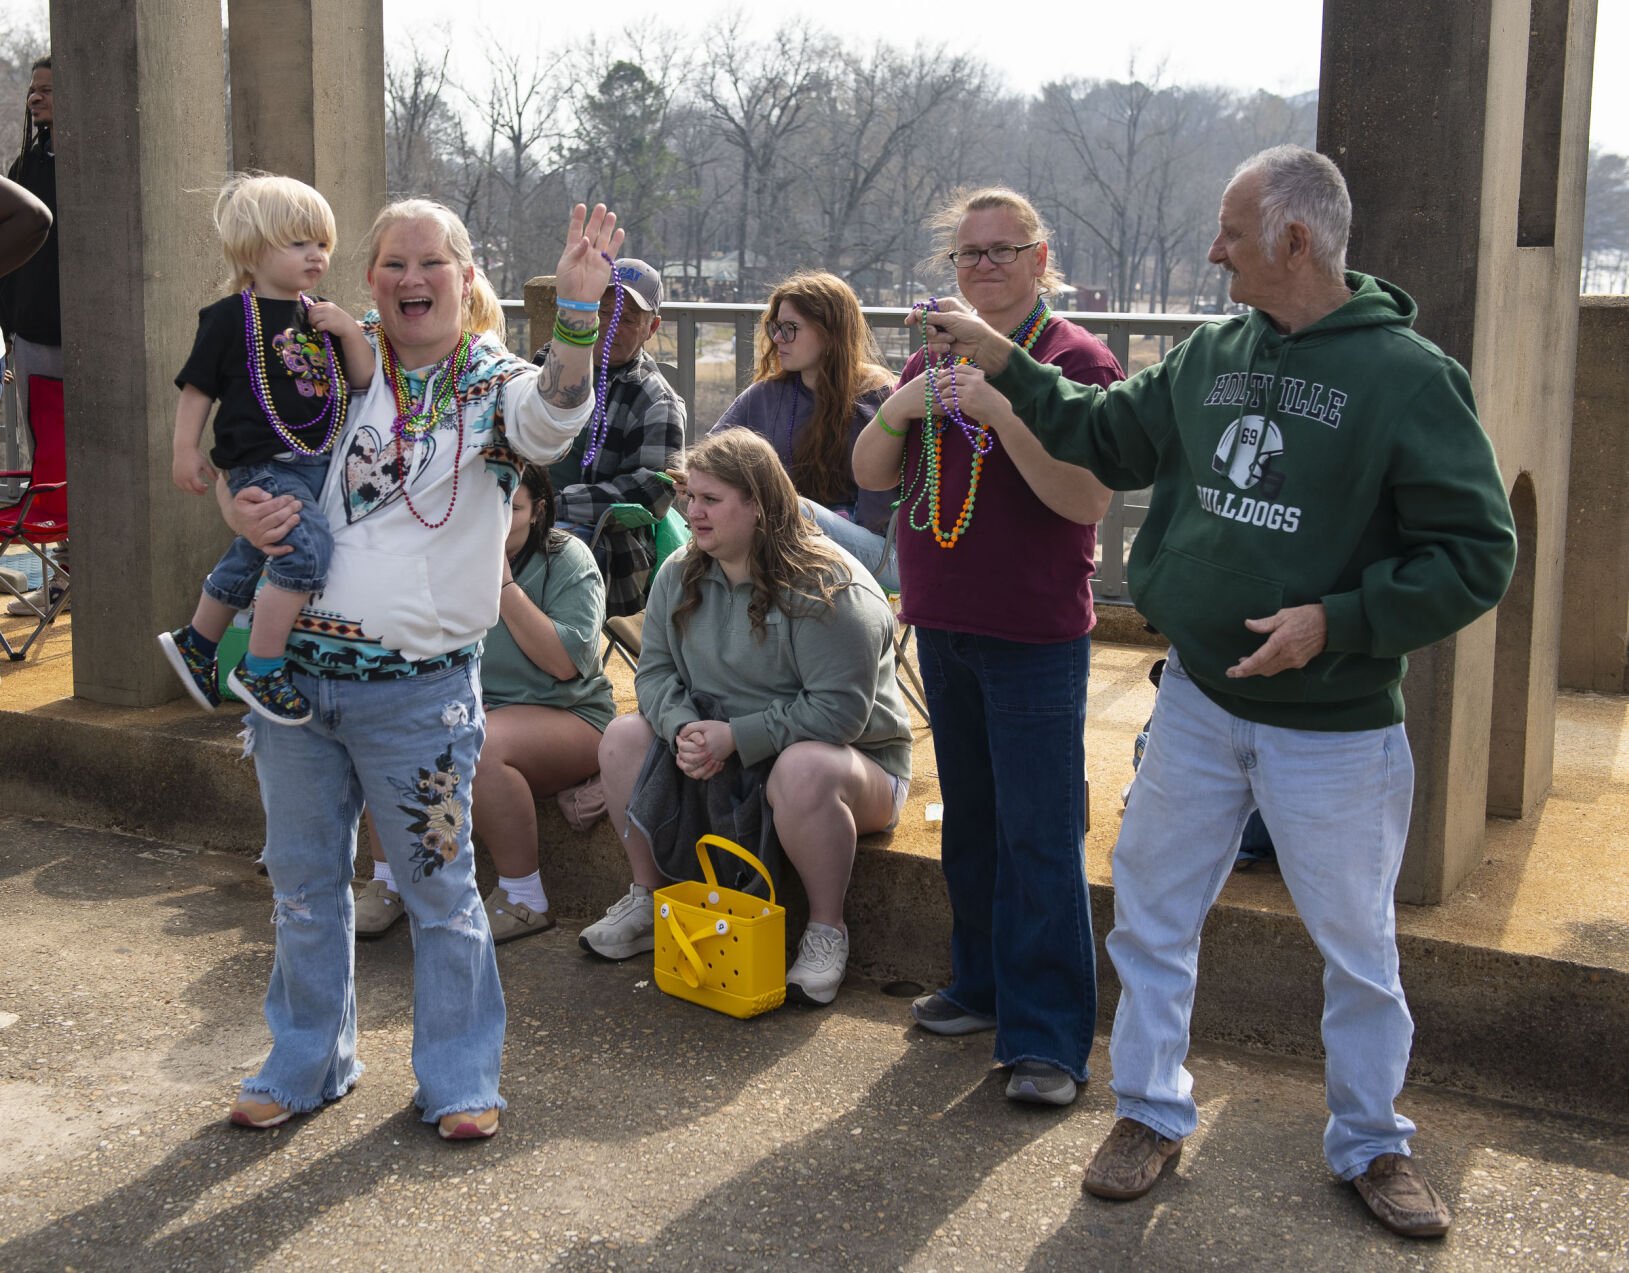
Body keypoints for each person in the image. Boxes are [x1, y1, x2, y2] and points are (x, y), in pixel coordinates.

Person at [908, 146, 1516, 1236]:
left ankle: (1372, 1142)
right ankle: (1147, 1110)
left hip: (1333, 730)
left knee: (1357, 945)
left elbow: (1475, 552)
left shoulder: (1409, 378)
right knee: (1149, 915)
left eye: (1231, 231)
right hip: (1196, 702)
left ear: (1292, 240)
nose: (1212, 249)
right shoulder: (1211, 356)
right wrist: (1005, 354)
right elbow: (1103, 434)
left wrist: (1340, 620)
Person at [221, 197, 625, 1141]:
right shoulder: (318, 362)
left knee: (441, 891)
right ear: (369, 278)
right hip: (292, 686)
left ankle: (457, 1075)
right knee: (302, 885)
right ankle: (305, 1060)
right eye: (394, 263)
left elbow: (555, 416)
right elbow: (251, 455)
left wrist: (575, 313)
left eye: (432, 263)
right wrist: (242, 510)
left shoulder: (490, 383)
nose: (412, 280)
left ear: (465, 276)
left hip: (419, 691)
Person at [852, 187, 1123, 1107]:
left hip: (1034, 632)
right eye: (970, 254)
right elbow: (867, 474)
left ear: (1040, 260)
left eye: (1005, 251)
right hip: (945, 623)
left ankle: (1048, 1037)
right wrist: (906, 406)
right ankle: (980, 984)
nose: (986, 267)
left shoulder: (1076, 360)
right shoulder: (936, 353)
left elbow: (1086, 499)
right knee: (969, 820)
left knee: (1039, 831)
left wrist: (1002, 409)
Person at [581, 428, 912, 1006]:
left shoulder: (830, 586)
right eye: (691, 497)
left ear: (758, 504)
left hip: (855, 766)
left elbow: (839, 716)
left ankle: (826, 931)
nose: (692, 512)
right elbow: (654, 674)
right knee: (623, 737)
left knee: (803, 769)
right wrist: (684, 726)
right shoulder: (679, 573)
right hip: (721, 745)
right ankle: (649, 899)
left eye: (710, 500)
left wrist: (738, 736)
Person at [353, 462, 615, 943]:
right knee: (392, 723)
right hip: (479, 706)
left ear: (537, 511)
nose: (495, 519)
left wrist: (503, 584)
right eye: (485, 506)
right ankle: (392, 881)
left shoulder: (568, 559)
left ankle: (523, 897)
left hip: (569, 714)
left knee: (479, 743)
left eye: (510, 508)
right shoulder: (447, 553)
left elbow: (564, 663)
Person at [156, 174, 373, 726]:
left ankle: (198, 642)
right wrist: (185, 449)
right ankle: (261, 664)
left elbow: (365, 379)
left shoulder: (321, 315)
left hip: (315, 463)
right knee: (305, 551)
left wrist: (349, 332)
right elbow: (198, 388)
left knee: (258, 549)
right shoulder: (229, 316)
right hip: (262, 462)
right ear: (253, 250)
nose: (316, 255)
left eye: (322, 244)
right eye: (299, 243)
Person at [711, 270, 896, 590]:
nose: (778, 339)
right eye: (775, 327)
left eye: (790, 329)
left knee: (790, 507)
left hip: (878, 552)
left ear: (829, 334)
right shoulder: (767, 396)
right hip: (791, 542)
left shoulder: (878, 398)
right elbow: (710, 458)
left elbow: (876, 518)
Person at [536, 256, 685, 617]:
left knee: (528, 562)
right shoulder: (549, 364)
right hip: (524, 513)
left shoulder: (656, 399)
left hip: (604, 543)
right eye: (602, 312)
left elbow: (651, 491)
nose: (611, 325)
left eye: (628, 318)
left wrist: (553, 506)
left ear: (652, 328)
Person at [1, 57, 63, 616]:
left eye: (47, 90)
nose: (35, 100)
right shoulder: (26, 164)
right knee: (49, 461)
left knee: (81, 461)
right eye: (33, 90)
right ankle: (63, 577)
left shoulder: (84, 165)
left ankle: (81, 573)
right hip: (32, 337)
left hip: (83, 335)